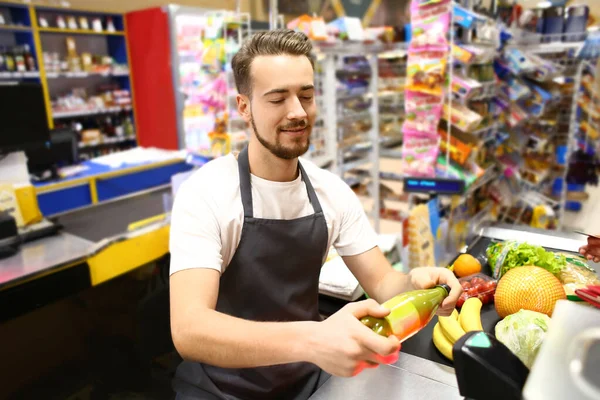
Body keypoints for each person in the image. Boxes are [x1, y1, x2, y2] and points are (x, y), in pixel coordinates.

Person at [168, 29, 462, 400]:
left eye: (306, 96)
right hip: (220, 389)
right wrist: (313, 340)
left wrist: (415, 283)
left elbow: (383, 283)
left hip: (307, 382)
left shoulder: (330, 192)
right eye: (277, 99)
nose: (297, 112)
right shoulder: (207, 193)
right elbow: (190, 329)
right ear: (243, 107)